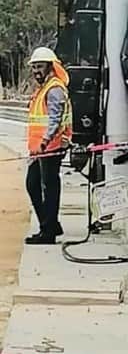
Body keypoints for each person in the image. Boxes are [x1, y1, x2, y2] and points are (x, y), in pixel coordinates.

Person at [25, 47, 73, 245]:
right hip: (42, 149)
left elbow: (55, 119)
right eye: (34, 67)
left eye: (40, 67)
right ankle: (50, 224)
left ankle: (48, 231)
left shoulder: (54, 88)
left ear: (50, 67)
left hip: (50, 147)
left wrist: (44, 142)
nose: (36, 71)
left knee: (48, 187)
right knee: (33, 184)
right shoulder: (45, 87)